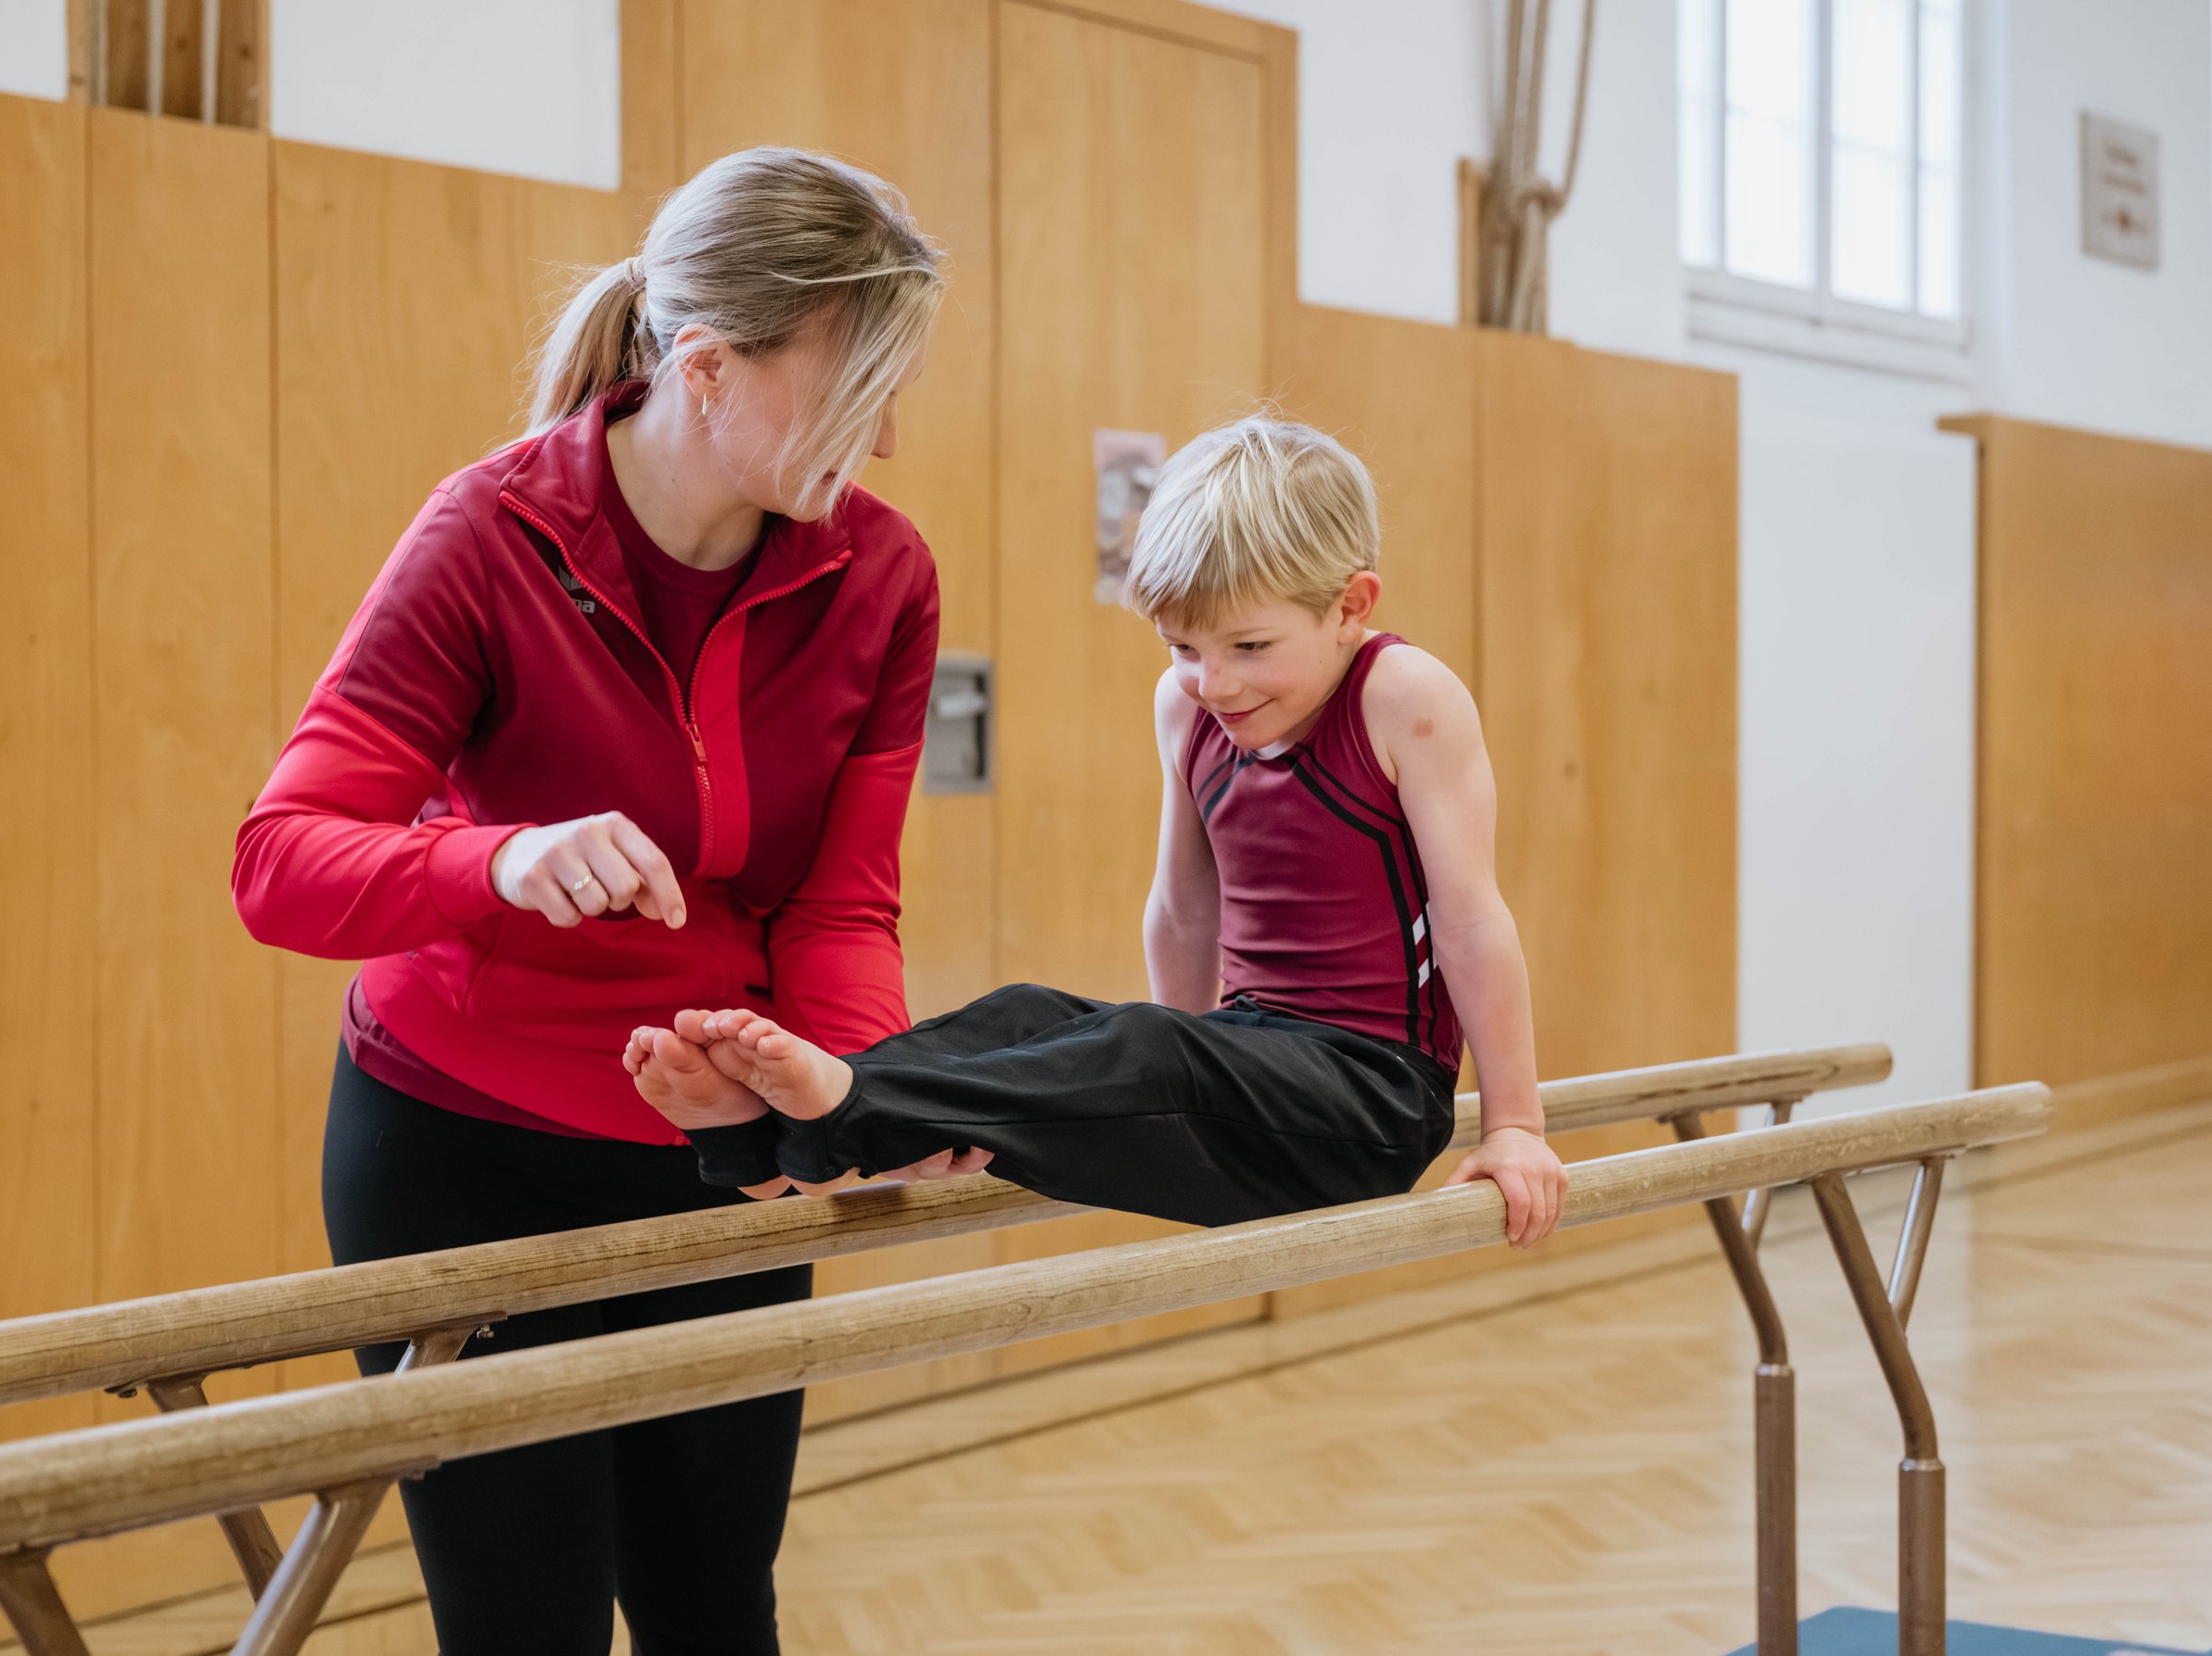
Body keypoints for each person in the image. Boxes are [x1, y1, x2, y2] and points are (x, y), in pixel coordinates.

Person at [232, 146, 957, 1655]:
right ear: (703, 367)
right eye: (855, 391)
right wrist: (491, 859)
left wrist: (851, 1096)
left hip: (718, 1164)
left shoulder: (880, 578)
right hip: (459, 1158)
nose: (885, 437)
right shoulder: (490, 536)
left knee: (713, 1613)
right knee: (526, 1629)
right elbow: (284, 858)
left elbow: (840, 908)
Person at [626, 416, 1567, 1246]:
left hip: (1369, 1097)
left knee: (1147, 1051)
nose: (1216, 683)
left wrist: (1514, 1125)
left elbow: (1470, 919)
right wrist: (1180, 1102)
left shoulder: (1404, 698)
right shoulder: (1185, 708)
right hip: (1253, 1057)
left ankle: (850, 1116)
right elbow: (1184, 908)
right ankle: (762, 1134)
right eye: (1183, 647)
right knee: (1027, 1014)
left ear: (1350, 606)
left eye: (1249, 647)